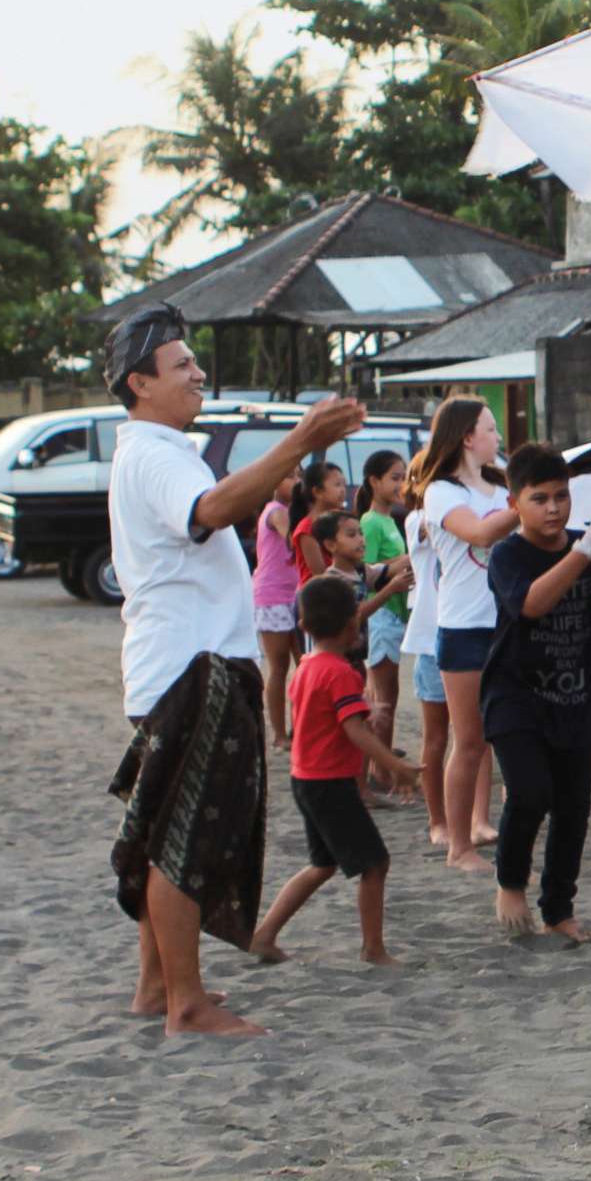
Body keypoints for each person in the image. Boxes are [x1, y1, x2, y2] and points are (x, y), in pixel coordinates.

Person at [100, 302, 364, 1037]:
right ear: (138, 383)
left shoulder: (158, 447)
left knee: (165, 833)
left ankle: (159, 988)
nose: (198, 372)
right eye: (181, 364)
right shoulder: (153, 451)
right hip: (193, 668)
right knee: (185, 838)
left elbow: (213, 506)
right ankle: (186, 1002)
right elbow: (211, 509)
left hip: (183, 664)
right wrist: (301, 440)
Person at [481, 445, 591, 940]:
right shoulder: (507, 554)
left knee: (574, 809)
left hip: (575, 697)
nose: (553, 508)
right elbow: (531, 604)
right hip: (515, 695)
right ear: (515, 504)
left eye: (561, 496)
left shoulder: (585, 548)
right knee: (530, 793)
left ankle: (558, 910)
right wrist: (586, 550)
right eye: (539, 499)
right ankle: (510, 881)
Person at [246, 574, 422, 966]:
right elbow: (352, 729)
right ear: (353, 623)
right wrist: (395, 764)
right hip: (329, 784)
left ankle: (264, 934)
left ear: (303, 626)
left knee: (323, 864)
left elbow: (325, 716)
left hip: (306, 780)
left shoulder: (308, 664)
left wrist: (362, 710)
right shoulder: (340, 672)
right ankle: (373, 949)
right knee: (375, 863)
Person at [413, 397, 519, 874]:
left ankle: (502, 828)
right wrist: (526, 506)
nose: (497, 438)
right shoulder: (440, 492)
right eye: (490, 429)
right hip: (463, 628)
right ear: (466, 438)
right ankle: (459, 845)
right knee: (469, 741)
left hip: (507, 622)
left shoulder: (500, 486)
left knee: (512, 735)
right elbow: (478, 535)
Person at [356, 451, 412, 797]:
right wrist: (406, 560)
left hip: (395, 613)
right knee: (383, 698)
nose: (400, 484)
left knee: (389, 695)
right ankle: (379, 771)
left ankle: (382, 768)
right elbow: (366, 571)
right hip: (382, 616)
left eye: (402, 476)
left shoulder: (390, 519)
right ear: (374, 481)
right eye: (394, 477)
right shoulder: (370, 522)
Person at [251, 465, 304, 748]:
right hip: (272, 596)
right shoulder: (276, 510)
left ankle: (299, 728)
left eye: (299, 477)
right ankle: (280, 734)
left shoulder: (289, 512)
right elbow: (292, 538)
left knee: (303, 664)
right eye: (289, 476)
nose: (296, 482)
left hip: (294, 595)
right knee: (280, 666)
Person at [289, 458, 348, 583]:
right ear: (317, 492)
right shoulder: (307, 528)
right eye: (337, 485)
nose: (343, 490)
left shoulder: (343, 521)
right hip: (318, 596)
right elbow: (320, 574)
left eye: (344, 485)